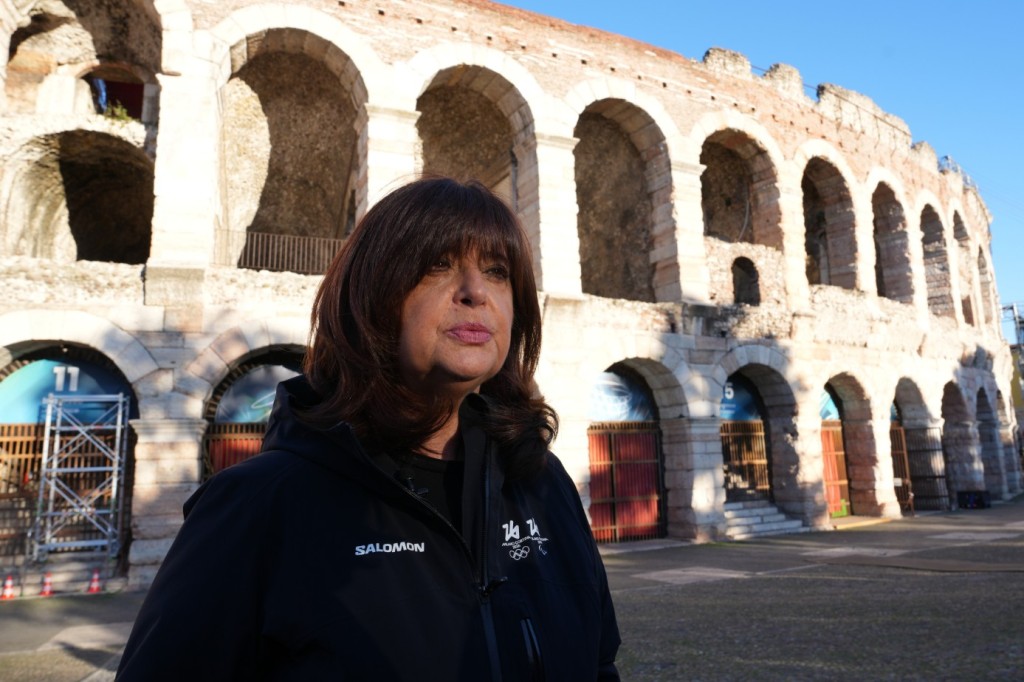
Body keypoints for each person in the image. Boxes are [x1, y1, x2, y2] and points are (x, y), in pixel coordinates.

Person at [116, 177, 621, 680]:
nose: (475, 292)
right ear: (371, 295)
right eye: (437, 266)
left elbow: (599, 664)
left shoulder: (541, 479)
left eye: (497, 271)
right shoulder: (261, 503)